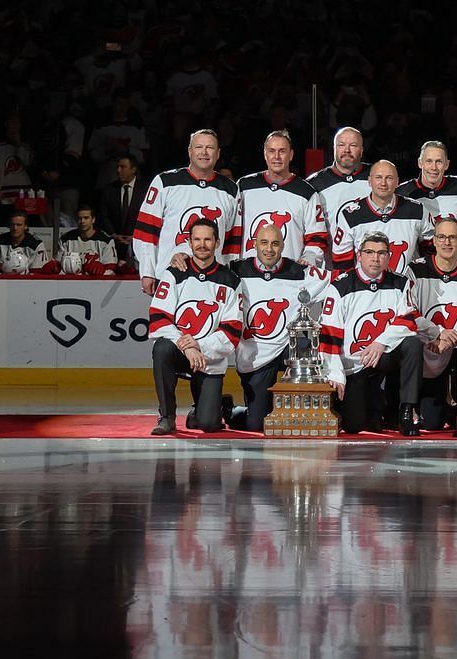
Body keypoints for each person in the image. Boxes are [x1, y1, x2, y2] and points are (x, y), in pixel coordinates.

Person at [227, 223, 332, 432]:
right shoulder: (236, 270)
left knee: (308, 344)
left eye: (275, 244)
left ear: (283, 246)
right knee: (256, 424)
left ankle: (310, 407)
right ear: (254, 244)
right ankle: (230, 409)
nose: (269, 249)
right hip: (255, 354)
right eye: (264, 243)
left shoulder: (299, 271)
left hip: (287, 346)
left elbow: (337, 283)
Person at [318, 231, 422, 436]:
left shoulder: (400, 283)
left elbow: (409, 320)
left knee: (413, 344)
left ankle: (407, 411)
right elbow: (329, 334)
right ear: (359, 255)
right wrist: (336, 374)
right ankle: (370, 406)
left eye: (382, 253)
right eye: (370, 252)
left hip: (383, 357)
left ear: (389, 257)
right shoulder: (340, 286)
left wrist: (380, 342)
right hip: (353, 365)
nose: (375, 258)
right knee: (354, 425)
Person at [147, 219, 243, 435]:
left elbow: (232, 332)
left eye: (208, 239)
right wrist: (187, 347)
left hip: (208, 357)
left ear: (217, 242)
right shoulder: (174, 273)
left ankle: (205, 409)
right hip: (180, 351)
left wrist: (199, 345)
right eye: (197, 239)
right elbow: (159, 317)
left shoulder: (230, 281)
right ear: (188, 243)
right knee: (161, 349)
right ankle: (167, 416)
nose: (202, 244)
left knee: (208, 425)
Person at [133, 129, 239, 296]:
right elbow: (146, 231)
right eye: (199, 147)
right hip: (169, 278)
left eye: (210, 148)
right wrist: (147, 272)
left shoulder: (231, 189)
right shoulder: (165, 182)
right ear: (190, 151)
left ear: (218, 153)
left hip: (215, 281)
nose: (204, 152)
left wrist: (232, 276)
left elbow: (233, 241)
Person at [407, 217, 457, 430]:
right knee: (432, 423)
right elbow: (409, 310)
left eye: (452, 237)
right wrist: (439, 333)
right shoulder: (416, 270)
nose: (447, 242)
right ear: (433, 240)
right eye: (441, 237)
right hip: (430, 346)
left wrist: (455, 335)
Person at [226, 130, 327, 266]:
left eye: (282, 151)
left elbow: (317, 237)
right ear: (265, 154)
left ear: (291, 155)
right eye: (272, 151)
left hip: (289, 277)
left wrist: (307, 260)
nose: (277, 156)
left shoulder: (306, 192)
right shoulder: (244, 186)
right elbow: (231, 229)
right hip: (248, 276)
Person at [329, 160, 434, 277]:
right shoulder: (350, 215)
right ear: (369, 181)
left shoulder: (417, 210)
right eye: (378, 177)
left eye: (389, 178)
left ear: (397, 182)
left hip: (408, 288)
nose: (383, 183)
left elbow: (432, 250)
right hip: (365, 290)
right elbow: (341, 261)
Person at [397, 140, 457, 260]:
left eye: (439, 162)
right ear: (420, 163)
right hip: (419, 269)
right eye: (429, 161)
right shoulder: (402, 194)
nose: (433, 167)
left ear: (447, 164)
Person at [307, 126, 371, 234]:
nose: (347, 150)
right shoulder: (314, 184)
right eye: (341, 145)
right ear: (334, 148)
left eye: (353, 145)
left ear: (361, 150)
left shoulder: (377, 176)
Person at [98, 154, 148, 267]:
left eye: (123, 167)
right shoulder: (109, 190)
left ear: (133, 169)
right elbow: (104, 215)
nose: (118, 170)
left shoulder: (146, 190)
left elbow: (150, 216)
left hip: (139, 246)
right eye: (117, 167)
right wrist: (114, 234)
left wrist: (137, 235)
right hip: (114, 245)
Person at [56, 205, 119, 275]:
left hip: (96, 283)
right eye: (79, 218)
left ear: (93, 219)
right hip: (70, 282)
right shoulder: (66, 239)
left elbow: (111, 270)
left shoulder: (106, 240)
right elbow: (58, 267)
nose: (82, 221)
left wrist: (101, 271)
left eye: (86, 218)